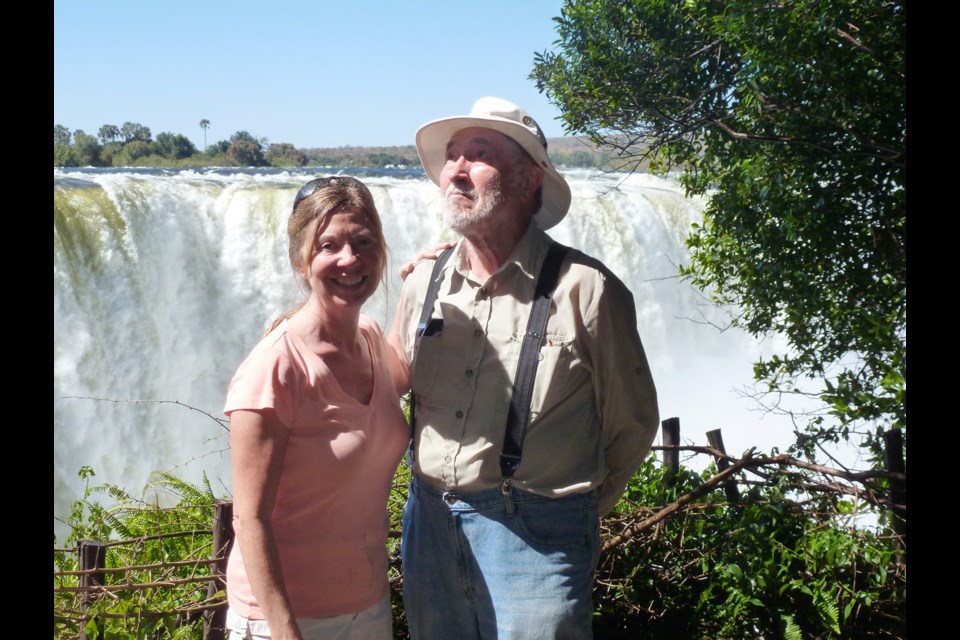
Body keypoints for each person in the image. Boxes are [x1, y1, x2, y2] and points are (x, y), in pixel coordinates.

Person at [388, 97, 661, 639]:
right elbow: (387, 382)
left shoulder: (585, 289)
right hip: (430, 532)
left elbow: (632, 425)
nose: (456, 171)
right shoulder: (424, 281)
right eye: (452, 156)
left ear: (528, 180)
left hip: (538, 539)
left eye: (479, 154)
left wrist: (571, 512)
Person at [223, 176, 409, 640]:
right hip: (287, 617)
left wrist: (424, 282)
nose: (350, 259)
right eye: (329, 245)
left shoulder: (368, 339)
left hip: (366, 603)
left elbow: (401, 376)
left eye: (364, 243)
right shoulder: (276, 367)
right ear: (301, 261)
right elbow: (249, 518)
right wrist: (283, 630)